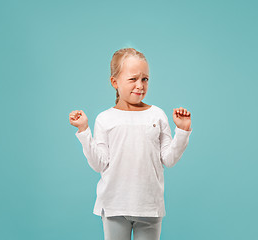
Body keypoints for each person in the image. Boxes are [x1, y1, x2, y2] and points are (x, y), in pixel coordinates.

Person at [69, 47, 192, 240]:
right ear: (114, 82)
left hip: (149, 207)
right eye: (133, 79)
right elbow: (99, 164)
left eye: (145, 79)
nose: (140, 85)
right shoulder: (105, 119)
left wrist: (183, 131)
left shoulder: (157, 115)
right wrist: (84, 130)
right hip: (114, 206)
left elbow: (168, 159)